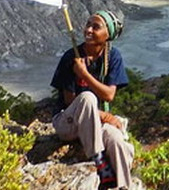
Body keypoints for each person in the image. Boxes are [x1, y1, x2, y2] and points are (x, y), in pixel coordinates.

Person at [50, 10, 133, 189]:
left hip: (92, 126)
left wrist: (84, 75)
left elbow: (109, 95)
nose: (88, 30)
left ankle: (123, 186)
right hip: (68, 122)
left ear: (107, 35)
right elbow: (69, 100)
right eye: (88, 25)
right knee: (87, 98)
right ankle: (99, 160)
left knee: (116, 139)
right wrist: (105, 116)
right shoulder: (72, 57)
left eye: (96, 27)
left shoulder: (112, 57)